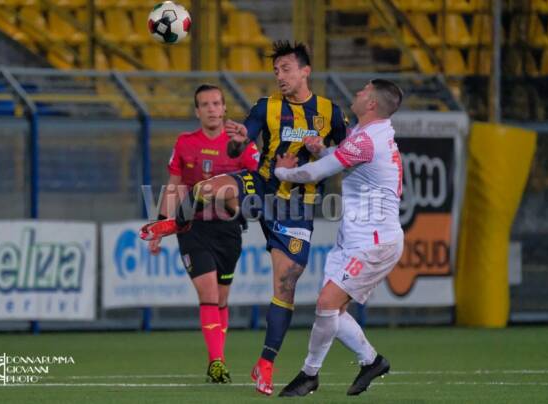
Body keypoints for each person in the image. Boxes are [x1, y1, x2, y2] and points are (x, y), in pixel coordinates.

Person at [140, 41, 348, 395]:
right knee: (205, 189)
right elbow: (241, 145)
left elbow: (346, 155)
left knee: (286, 286)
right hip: (261, 185)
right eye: (276, 71)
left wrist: (322, 152)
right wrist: (237, 141)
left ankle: (265, 365)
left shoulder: (331, 112)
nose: (280, 76)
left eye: (285, 69)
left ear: (304, 71)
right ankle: (178, 223)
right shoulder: (266, 107)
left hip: (296, 208)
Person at [271, 79, 405, 397]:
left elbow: (314, 174)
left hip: (374, 242)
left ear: (372, 103)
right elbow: (346, 159)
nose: (357, 93)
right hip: (356, 238)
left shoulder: (368, 138)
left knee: (326, 303)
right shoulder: (368, 133)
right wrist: (324, 150)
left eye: (362, 92)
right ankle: (371, 361)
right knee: (333, 310)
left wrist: (281, 173)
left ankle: (309, 374)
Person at [151, 84, 260, 383]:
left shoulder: (240, 144)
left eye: (216, 103)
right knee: (209, 293)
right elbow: (174, 186)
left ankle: (218, 359)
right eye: (205, 104)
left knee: (222, 299)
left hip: (228, 230)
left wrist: (229, 199)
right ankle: (216, 361)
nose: (212, 109)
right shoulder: (186, 143)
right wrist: (161, 225)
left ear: (224, 109)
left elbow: (259, 186)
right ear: (197, 111)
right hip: (193, 228)